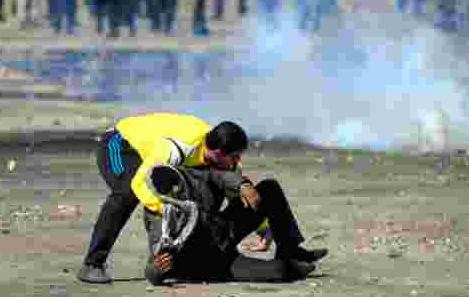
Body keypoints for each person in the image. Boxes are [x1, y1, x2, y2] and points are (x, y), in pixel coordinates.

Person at [77, 114, 251, 284]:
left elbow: (233, 190)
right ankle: (92, 264)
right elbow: (141, 184)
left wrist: (263, 227)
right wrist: (170, 210)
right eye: (235, 156)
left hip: (152, 153)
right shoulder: (179, 147)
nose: (237, 161)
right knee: (127, 192)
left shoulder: (218, 153)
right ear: (219, 153)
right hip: (120, 144)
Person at [142, 165, 325, 285]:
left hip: (223, 229)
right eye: (172, 194)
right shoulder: (159, 218)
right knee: (279, 271)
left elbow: (218, 175)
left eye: (179, 187)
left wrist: (242, 185)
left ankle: (290, 249)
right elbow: (152, 267)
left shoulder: (189, 176)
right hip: (212, 263)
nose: (179, 193)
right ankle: (292, 265)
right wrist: (156, 271)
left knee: (268, 188)